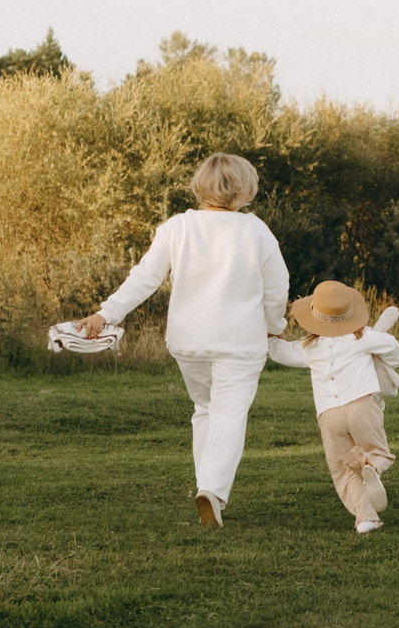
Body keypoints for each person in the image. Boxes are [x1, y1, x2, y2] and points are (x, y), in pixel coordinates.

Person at [75, 153, 288, 528]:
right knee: (229, 414)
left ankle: (208, 488)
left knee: (204, 409)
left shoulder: (177, 227)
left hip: (189, 340)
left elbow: (143, 279)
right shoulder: (256, 231)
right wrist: (274, 325)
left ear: (200, 185)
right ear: (244, 189)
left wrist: (105, 313)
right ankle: (212, 490)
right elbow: (276, 288)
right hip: (240, 340)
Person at [264, 282, 399, 533]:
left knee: (343, 470)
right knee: (378, 451)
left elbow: (280, 352)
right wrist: (383, 359)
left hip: (329, 414)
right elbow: (395, 351)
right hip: (362, 404)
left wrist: (272, 338)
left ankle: (366, 519)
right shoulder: (364, 336)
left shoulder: (309, 347)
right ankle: (372, 466)